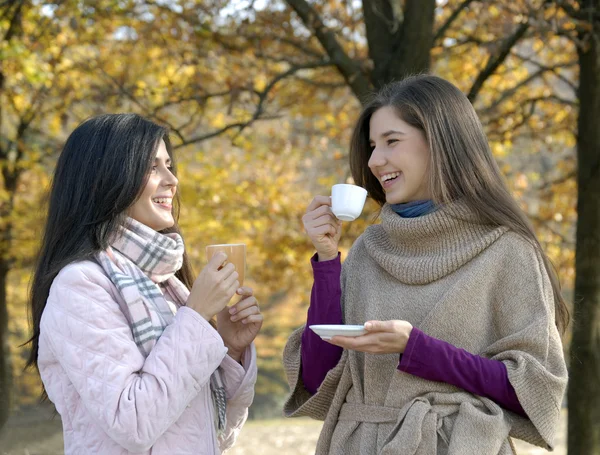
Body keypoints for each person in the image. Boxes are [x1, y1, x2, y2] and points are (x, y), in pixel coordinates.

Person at [283, 75, 568, 454]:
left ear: (440, 143)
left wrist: (417, 349)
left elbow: (535, 391)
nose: (373, 160)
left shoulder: (508, 252)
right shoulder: (368, 251)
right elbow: (319, 380)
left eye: (391, 141)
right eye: (371, 146)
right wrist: (326, 260)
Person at [26, 113, 262, 454]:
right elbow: (134, 422)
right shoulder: (80, 286)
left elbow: (210, 432)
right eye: (152, 167)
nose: (172, 180)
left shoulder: (166, 284)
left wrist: (231, 348)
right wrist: (196, 316)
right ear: (106, 180)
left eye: (169, 165)